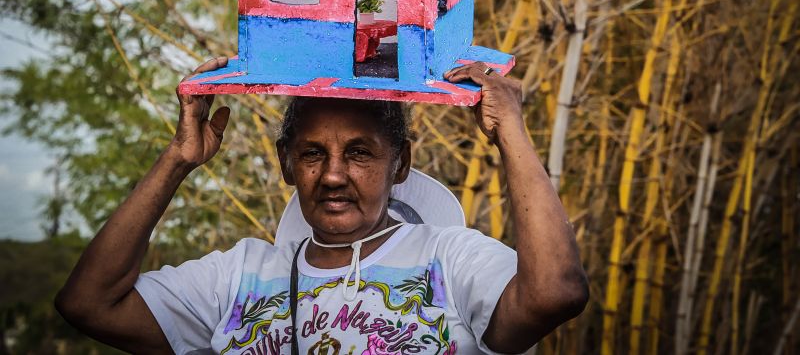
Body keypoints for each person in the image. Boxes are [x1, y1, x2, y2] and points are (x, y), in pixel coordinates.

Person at [55, 56, 588, 354]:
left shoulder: (446, 260)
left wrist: (511, 133)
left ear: (399, 165)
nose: (333, 175)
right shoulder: (239, 277)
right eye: (313, 154)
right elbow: (88, 305)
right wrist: (177, 158)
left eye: (359, 154)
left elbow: (554, 294)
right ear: (287, 164)